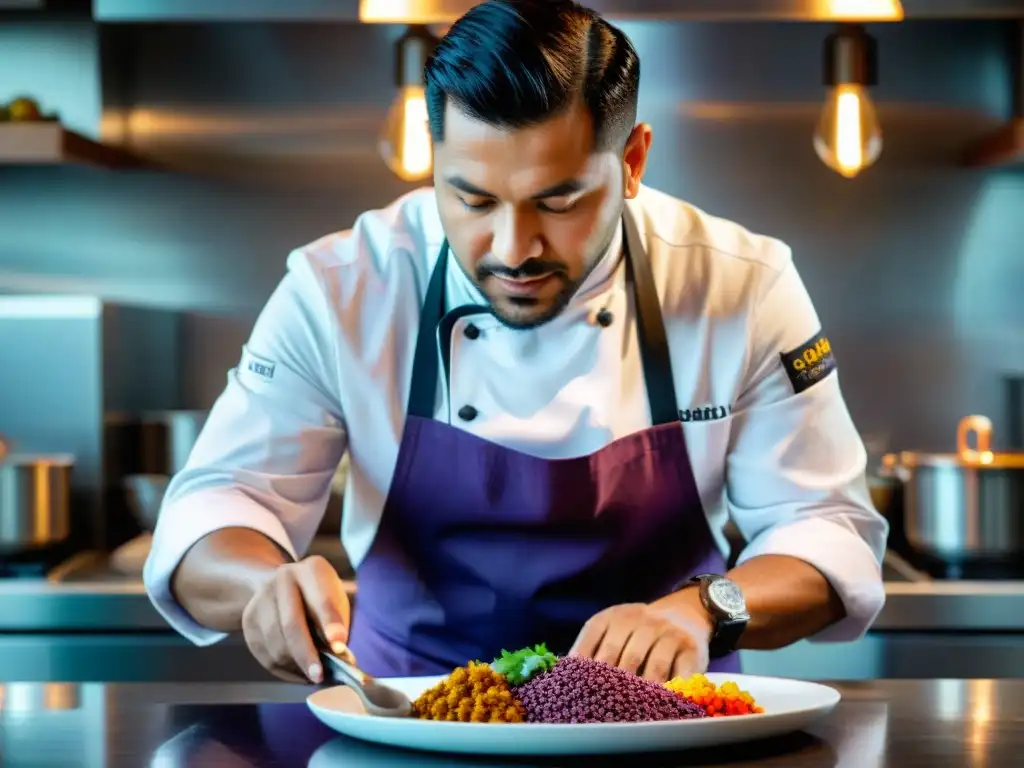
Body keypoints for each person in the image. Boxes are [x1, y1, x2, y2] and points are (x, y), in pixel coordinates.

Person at [143, 0, 887, 686]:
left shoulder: (742, 285)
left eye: (557, 201)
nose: (513, 247)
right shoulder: (341, 287)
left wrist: (702, 609)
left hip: (674, 723)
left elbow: (825, 529)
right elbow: (217, 505)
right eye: (470, 198)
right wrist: (261, 585)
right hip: (415, 718)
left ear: (632, 162)